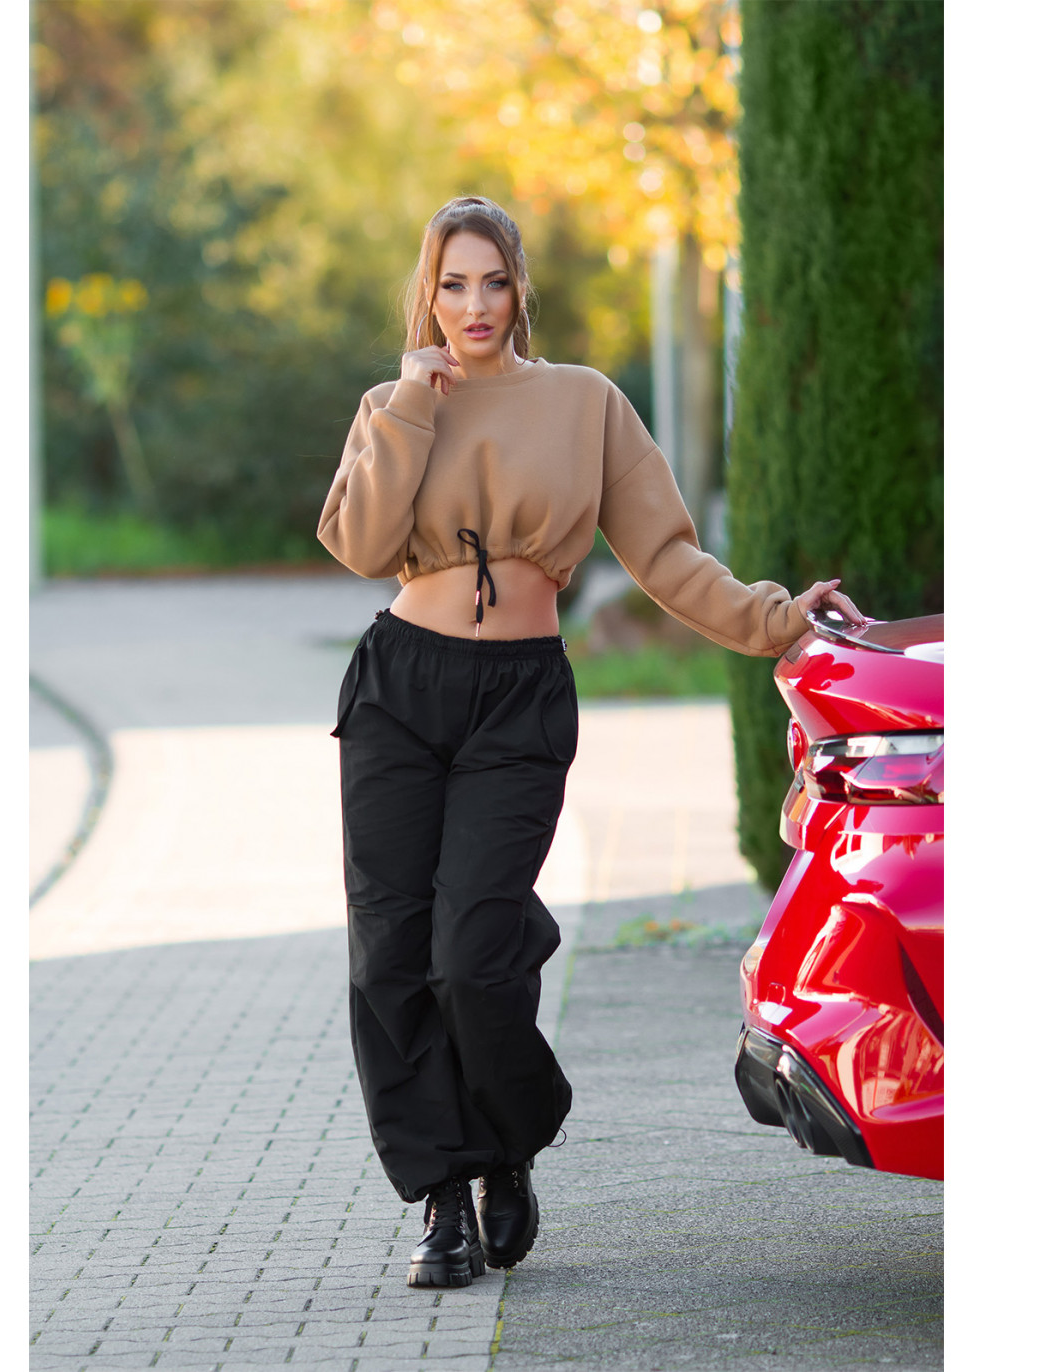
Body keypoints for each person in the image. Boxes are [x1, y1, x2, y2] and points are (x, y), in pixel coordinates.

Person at [317, 196, 863, 1290]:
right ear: (428, 293)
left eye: (493, 281)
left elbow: (665, 554)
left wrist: (775, 618)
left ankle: (510, 1139)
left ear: (521, 287)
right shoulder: (391, 404)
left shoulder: (584, 402)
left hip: (517, 698)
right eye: (452, 284)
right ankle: (444, 1196)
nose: (474, 304)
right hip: (399, 692)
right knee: (390, 956)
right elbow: (362, 544)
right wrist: (414, 406)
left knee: (473, 952)